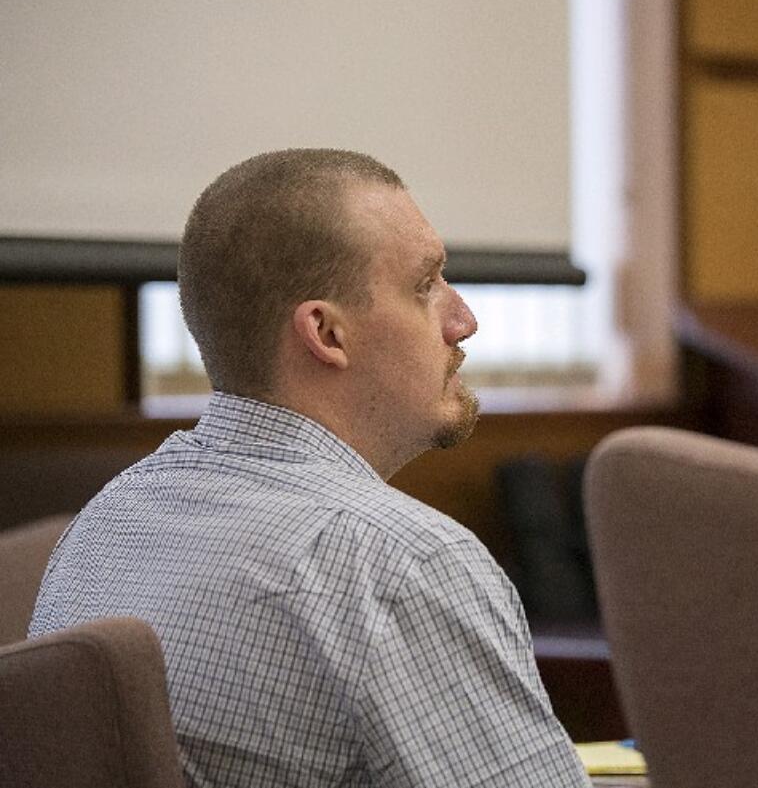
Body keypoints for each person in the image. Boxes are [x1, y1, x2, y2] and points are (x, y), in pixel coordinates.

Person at [30, 149, 591, 787]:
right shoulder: (404, 565)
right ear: (326, 333)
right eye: (425, 285)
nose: (464, 319)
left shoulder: (106, 522)